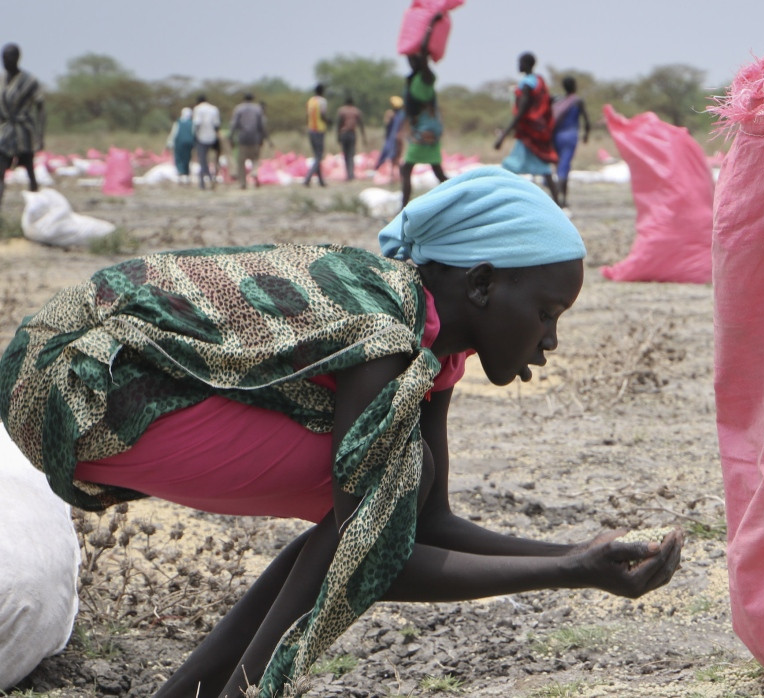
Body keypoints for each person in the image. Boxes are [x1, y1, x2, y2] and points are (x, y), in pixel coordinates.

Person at [0, 166, 683, 698]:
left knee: (388, 494)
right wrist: (568, 572)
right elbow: (373, 556)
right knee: (381, 498)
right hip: (76, 384)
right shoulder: (385, 332)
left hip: (103, 383)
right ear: (480, 286)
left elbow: (428, 524)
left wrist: (578, 554)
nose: (551, 339)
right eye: (546, 313)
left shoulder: (433, 346)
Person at [401, 12, 450, 206]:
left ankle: (403, 208)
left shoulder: (426, 77)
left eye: (414, 59)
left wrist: (430, 25)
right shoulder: (414, 79)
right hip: (423, 129)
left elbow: (422, 51)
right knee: (437, 172)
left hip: (425, 131)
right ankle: (459, 197)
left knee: (407, 169)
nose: (410, 61)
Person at [494, 52, 558, 198]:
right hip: (537, 131)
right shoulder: (539, 81)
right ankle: (557, 202)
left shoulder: (527, 84)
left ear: (526, 64)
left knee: (509, 167)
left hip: (528, 133)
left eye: (520, 63)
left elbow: (521, 112)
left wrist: (503, 135)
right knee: (542, 169)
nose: (518, 66)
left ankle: (504, 198)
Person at [0, 43, 46, 210]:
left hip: (23, 131)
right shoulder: (1, 80)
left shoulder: (29, 81)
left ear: (17, 58)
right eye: (3, 57)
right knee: (1, 169)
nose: (6, 61)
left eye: (9, 57)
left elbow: (40, 107)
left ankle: (37, 206)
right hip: (5, 132)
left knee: (29, 170)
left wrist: (40, 135)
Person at [551, 75, 590, 211]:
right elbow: (586, 120)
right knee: (564, 167)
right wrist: (586, 135)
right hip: (570, 136)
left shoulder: (559, 101)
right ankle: (558, 200)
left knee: (560, 167)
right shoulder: (577, 101)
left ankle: (562, 200)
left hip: (556, 137)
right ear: (574, 86)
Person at [230, 93, 268, 189]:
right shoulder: (258, 109)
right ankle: (254, 172)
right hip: (255, 138)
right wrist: (263, 137)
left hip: (242, 138)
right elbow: (261, 125)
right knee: (255, 159)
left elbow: (234, 124)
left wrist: (231, 136)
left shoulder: (239, 109)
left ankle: (242, 183)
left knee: (241, 161)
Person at [192, 94, 221, 190]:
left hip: (201, 138)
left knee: (202, 160)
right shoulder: (214, 109)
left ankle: (204, 182)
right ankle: (210, 179)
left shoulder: (197, 109)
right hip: (213, 138)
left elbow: (197, 123)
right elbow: (217, 125)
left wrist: (195, 136)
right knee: (214, 160)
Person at [334, 96, 367, 182]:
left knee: (346, 155)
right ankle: (351, 174)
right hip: (352, 134)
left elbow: (338, 124)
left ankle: (348, 175)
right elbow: (361, 125)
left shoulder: (342, 111)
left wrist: (338, 136)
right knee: (351, 155)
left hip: (344, 134)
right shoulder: (356, 111)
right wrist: (364, 137)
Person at [376, 95, 407, 183]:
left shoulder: (391, 114)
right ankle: (398, 176)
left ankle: (393, 175)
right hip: (399, 138)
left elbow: (387, 124)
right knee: (397, 157)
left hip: (393, 139)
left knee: (393, 157)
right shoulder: (402, 115)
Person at [303, 83, 329, 187]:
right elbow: (322, 115)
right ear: (322, 91)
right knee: (319, 156)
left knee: (317, 155)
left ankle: (321, 181)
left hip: (310, 130)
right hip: (319, 130)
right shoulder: (322, 101)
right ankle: (307, 178)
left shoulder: (310, 101)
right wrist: (328, 121)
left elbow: (307, 115)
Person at [166, 107, 196, 185]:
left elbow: (174, 133)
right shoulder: (192, 123)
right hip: (189, 143)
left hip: (179, 143)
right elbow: (194, 133)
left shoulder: (178, 122)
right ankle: (186, 174)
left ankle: (181, 173)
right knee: (187, 158)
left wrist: (169, 143)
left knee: (179, 157)